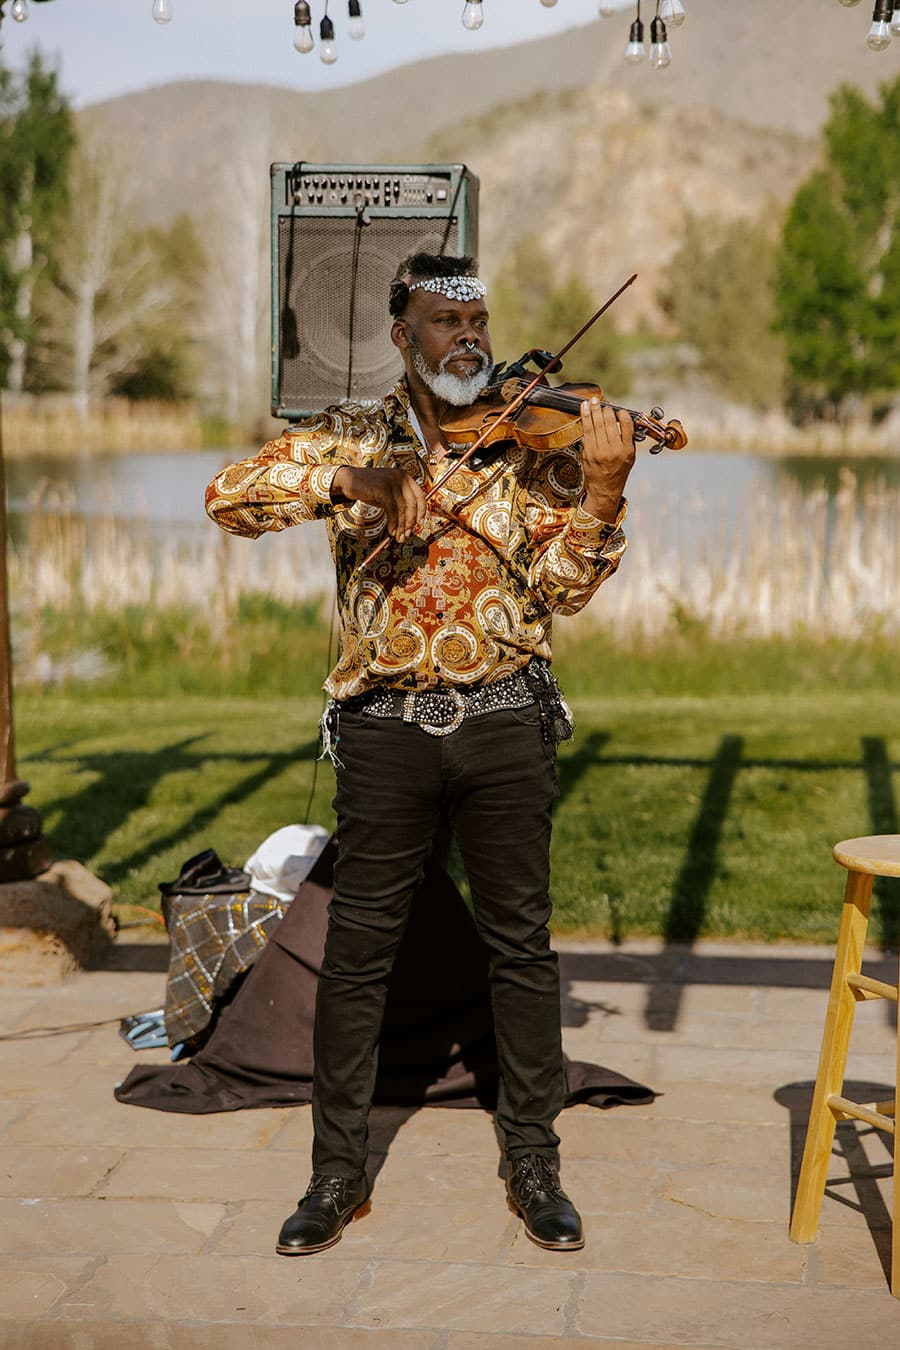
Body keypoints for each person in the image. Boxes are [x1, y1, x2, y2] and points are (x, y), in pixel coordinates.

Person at [205, 252, 636, 1256]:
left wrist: (603, 493)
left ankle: (534, 1161)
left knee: (521, 952)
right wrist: (345, 478)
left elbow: (567, 587)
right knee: (359, 960)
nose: (468, 337)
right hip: (384, 731)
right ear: (402, 336)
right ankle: (335, 1171)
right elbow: (231, 496)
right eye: (446, 321)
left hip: (506, 723)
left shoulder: (535, 442)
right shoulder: (357, 430)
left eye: (478, 320)